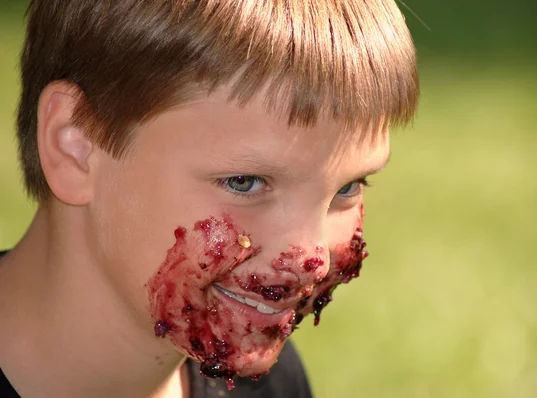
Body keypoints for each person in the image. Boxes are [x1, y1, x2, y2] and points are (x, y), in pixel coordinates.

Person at [0, 0, 419, 397]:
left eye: (348, 188)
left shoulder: (269, 384)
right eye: (244, 181)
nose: (311, 258)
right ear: (75, 147)